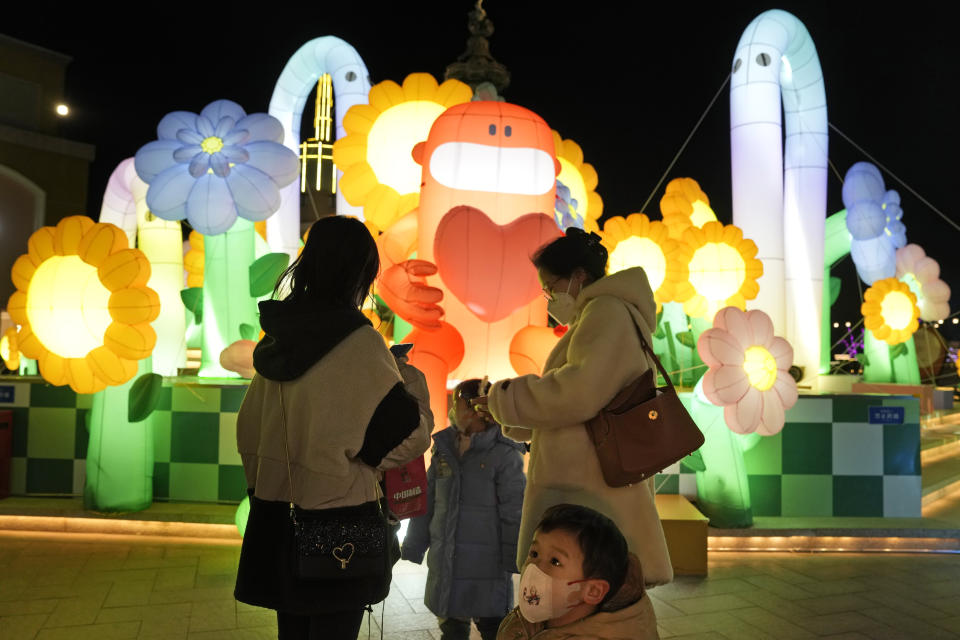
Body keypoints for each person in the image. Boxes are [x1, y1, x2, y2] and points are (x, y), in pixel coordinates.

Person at [234, 215, 433, 640]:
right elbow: (403, 437)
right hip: (340, 530)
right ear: (361, 274)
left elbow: (248, 432)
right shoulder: (359, 344)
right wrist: (408, 380)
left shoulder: (275, 337)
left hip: (276, 523)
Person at [475, 228, 673, 587]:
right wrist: (508, 412)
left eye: (551, 285)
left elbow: (578, 393)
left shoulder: (605, 311)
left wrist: (504, 398)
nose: (549, 297)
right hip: (593, 481)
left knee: (583, 588)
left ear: (579, 276)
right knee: (587, 589)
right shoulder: (603, 313)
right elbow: (584, 397)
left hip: (589, 485)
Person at [401, 378, 526, 640]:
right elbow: (429, 500)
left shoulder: (503, 453)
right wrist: (414, 544)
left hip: (487, 565)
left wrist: (514, 558)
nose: (453, 410)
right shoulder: (444, 449)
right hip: (446, 559)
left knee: (493, 627)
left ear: (474, 409)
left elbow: (514, 512)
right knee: (452, 628)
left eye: (457, 403)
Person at [497, 503, 659, 639]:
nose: (534, 567)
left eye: (555, 561)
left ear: (593, 591)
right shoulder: (528, 621)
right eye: (534, 553)